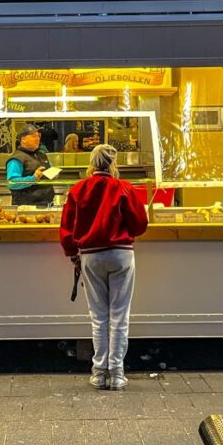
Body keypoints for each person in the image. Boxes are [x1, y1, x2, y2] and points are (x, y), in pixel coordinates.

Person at [59, 144, 148, 391]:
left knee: (98, 316)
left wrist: (72, 254)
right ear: (113, 164)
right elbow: (140, 224)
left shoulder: (78, 189)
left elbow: (67, 228)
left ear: (91, 164)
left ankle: (99, 372)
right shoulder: (124, 187)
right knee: (119, 315)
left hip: (91, 256)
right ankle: (117, 373)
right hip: (121, 255)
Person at [6, 124, 55, 206]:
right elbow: (12, 183)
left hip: (47, 204)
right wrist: (33, 178)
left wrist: (53, 173)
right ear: (23, 139)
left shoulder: (42, 154)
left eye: (38, 136)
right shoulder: (16, 159)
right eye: (33, 136)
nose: (37, 139)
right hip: (26, 207)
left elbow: (48, 171)